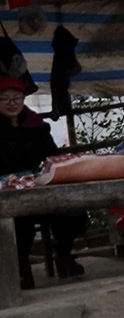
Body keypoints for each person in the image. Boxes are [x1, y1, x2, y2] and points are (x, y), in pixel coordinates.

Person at [0, 76, 88, 288]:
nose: (12, 103)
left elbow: (51, 155)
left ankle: (64, 255)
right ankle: (21, 267)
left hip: (39, 182)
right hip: (7, 188)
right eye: (5, 99)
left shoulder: (36, 125)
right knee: (20, 221)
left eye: (17, 98)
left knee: (71, 210)